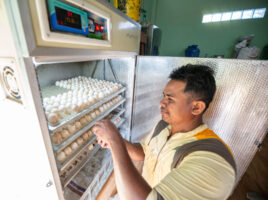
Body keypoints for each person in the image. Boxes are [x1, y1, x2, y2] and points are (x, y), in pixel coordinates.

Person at [92, 64, 236, 200]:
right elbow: (144, 152)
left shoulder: (211, 158)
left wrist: (115, 140)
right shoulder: (164, 126)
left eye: (170, 99)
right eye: (164, 96)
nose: (162, 102)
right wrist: (118, 142)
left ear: (196, 108)